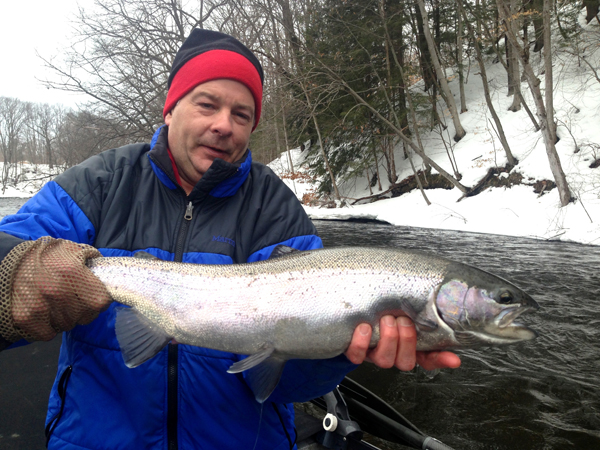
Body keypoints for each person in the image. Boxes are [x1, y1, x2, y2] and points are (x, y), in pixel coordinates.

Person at [0, 29, 460, 449]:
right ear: (170, 106)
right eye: (207, 104)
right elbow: (8, 253)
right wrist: (17, 273)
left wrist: (338, 351)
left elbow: (282, 384)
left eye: (242, 114)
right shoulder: (98, 184)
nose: (224, 124)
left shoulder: (274, 209)